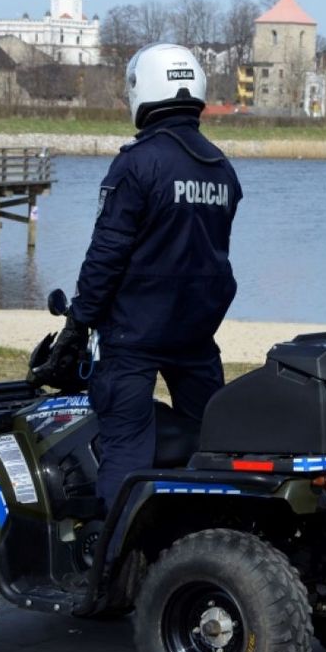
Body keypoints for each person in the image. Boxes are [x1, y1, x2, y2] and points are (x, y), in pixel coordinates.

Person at [45, 42, 242, 516]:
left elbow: (106, 255)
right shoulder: (221, 168)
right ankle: (210, 538)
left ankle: (116, 555)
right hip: (197, 335)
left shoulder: (137, 163)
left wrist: (77, 324)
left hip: (133, 337)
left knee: (126, 450)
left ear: (146, 90)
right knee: (214, 448)